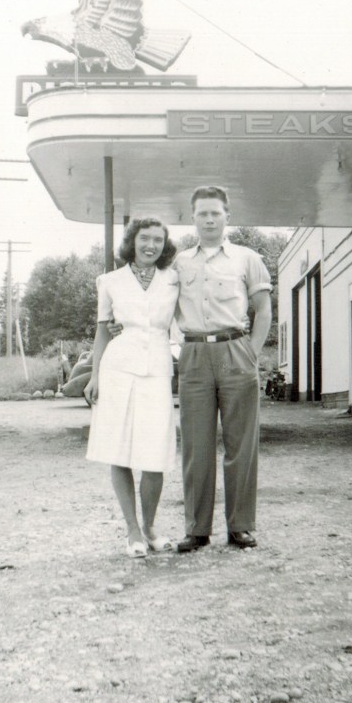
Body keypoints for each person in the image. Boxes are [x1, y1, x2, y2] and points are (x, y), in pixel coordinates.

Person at [174, 185, 272, 552]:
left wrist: (251, 353)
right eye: (202, 213)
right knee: (195, 445)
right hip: (195, 353)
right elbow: (163, 307)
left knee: (241, 444)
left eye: (216, 212)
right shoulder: (179, 263)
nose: (209, 219)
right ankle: (196, 529)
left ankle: (240, 526)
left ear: (227, 216)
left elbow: (263, 309)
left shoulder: (247, 258)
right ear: (192, 217)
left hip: (235, 350)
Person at [84, 218, 179, 558]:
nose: (150, 245)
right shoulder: (109, 281)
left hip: (157, 369)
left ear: (164, 245)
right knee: (119, 450)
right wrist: (94, 376)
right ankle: (133, 530)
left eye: (157, 240)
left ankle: (151, 527)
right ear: (132, 241)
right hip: (118, 369)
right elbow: (102, 331)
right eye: (144, 238)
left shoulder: (173, 279)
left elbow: (188, 317)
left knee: (155, 454)